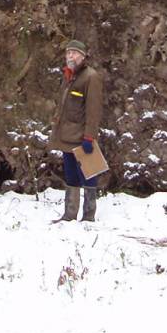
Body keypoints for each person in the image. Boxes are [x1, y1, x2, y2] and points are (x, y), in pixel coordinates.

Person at [48, 39, 103, 222]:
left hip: (82, 136)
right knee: (71, 175)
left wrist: (89, 136)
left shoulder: (91, 77)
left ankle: (89, 216)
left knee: (89, 174)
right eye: (68, 53)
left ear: (83, 56)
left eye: (74, 53)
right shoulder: (68, 76)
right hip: (66, 136)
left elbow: (93, 110)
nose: (70, 56)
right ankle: (69, 214)